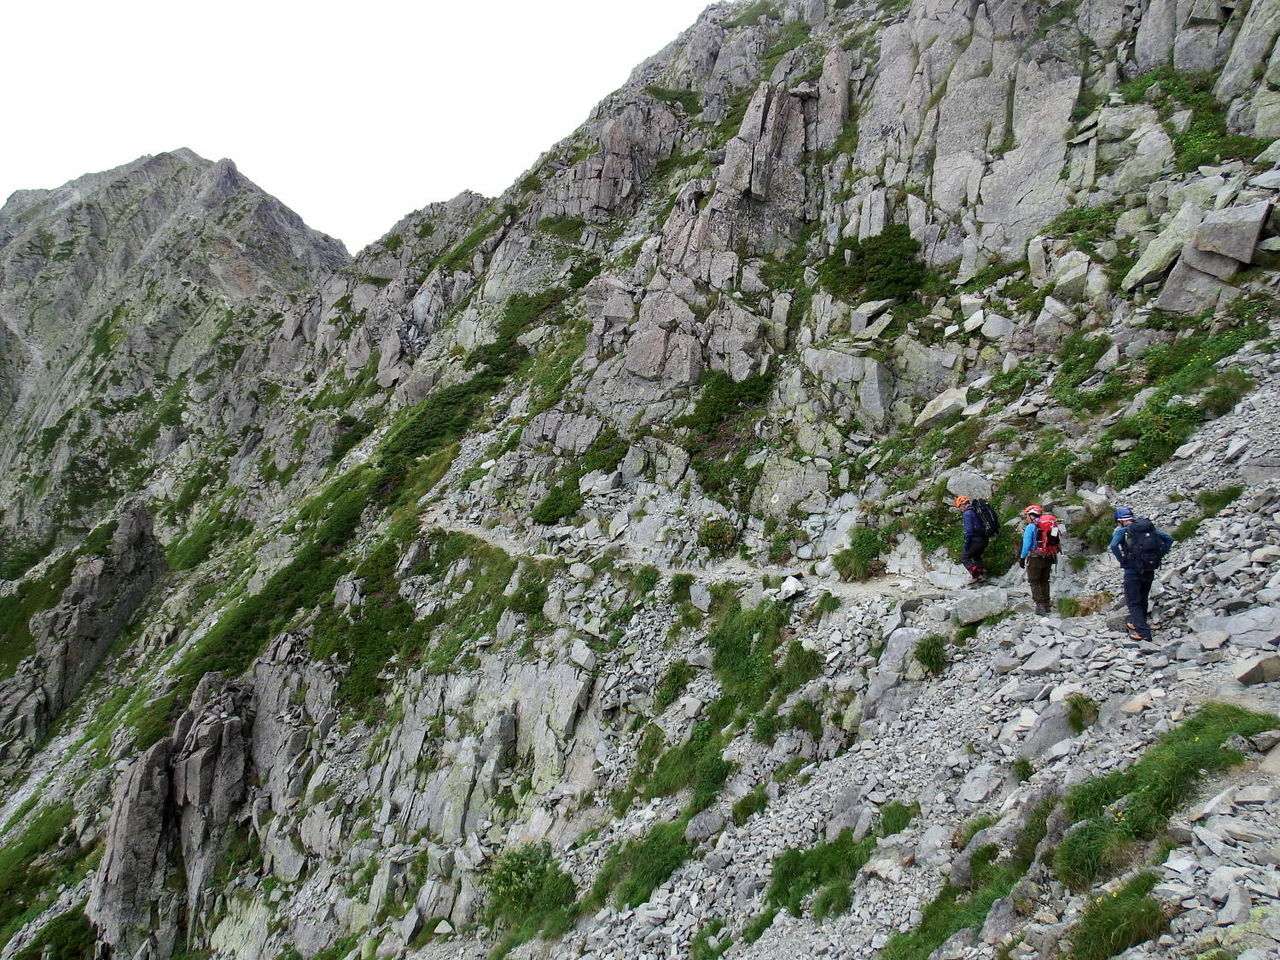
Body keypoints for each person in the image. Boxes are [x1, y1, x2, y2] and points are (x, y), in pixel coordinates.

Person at [1109, 507, 1174, 642]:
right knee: (1143, 599)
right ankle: (1140, 623)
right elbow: (1169, 539)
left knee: (1133, 602)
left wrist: (1122, 560)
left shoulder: (1122, 531)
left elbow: (1114, 545)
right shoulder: (1146, 529)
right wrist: (1159, 555)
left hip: (1132, 571)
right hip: (1149, 569)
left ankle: (1143, 633)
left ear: (1120, 520)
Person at [1018, 504, 1056, 615]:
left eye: (1027, 515)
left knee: (1034, 581)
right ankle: (1047, 604)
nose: (1026, 518)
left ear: (1031, 515)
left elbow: (1026, 545)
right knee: (1044, 580)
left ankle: (1040, 606)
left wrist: (1022, 557)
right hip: (1049, 556)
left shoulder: (1031, 527)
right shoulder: (1049, 524)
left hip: (1035, 557)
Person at [955, 496, 987, 585]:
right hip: (984, 539)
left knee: (964, 557)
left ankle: (976, 576)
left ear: (963, 504)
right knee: (976, 555)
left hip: (976, 540)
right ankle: (981, 575)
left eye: (960, 507)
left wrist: (966, 544)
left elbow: (968, 531)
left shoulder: (967, 514)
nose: (960, 509)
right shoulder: (976, 510)